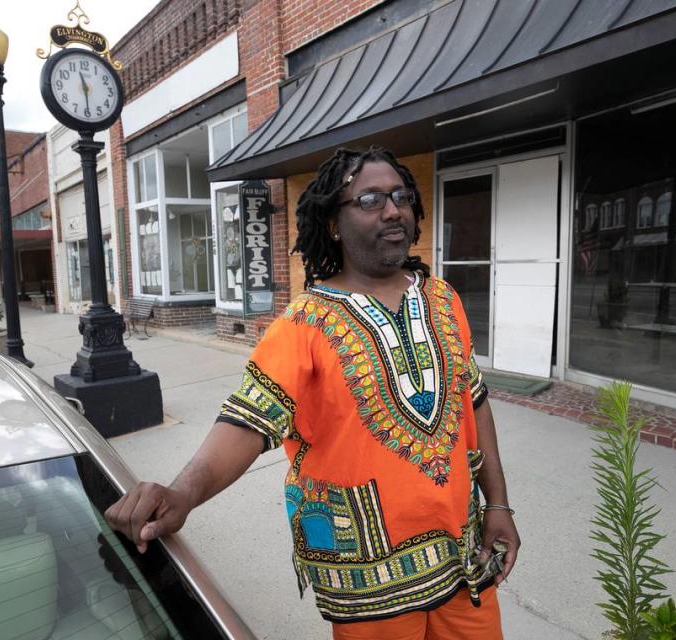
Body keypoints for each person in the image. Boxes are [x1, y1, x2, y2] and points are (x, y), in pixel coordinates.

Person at [105, 147, 520, 639]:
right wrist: (182, 492)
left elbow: (474, 403)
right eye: (369, 199)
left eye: (400, 196)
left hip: (463, 558)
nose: (392, 210)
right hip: (368, 582)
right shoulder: (303, 323)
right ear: (334, 225)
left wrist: (498, 504)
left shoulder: (443, 299)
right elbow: (246, 423)